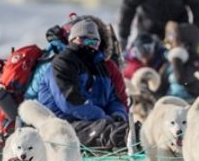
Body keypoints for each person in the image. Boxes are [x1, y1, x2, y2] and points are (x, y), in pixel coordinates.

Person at [36, 18, 130, 151]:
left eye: (94, 41)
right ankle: (125, 136)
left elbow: (113, 98)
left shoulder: (100, 67)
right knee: (114, 133)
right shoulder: (62, 64)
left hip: (95, 123)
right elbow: (70, 102)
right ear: (73, 39)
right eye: (85, 40)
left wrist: (117, 114)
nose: (90, 45)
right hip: (63, 126)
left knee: (128, 129)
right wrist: (103, 117)